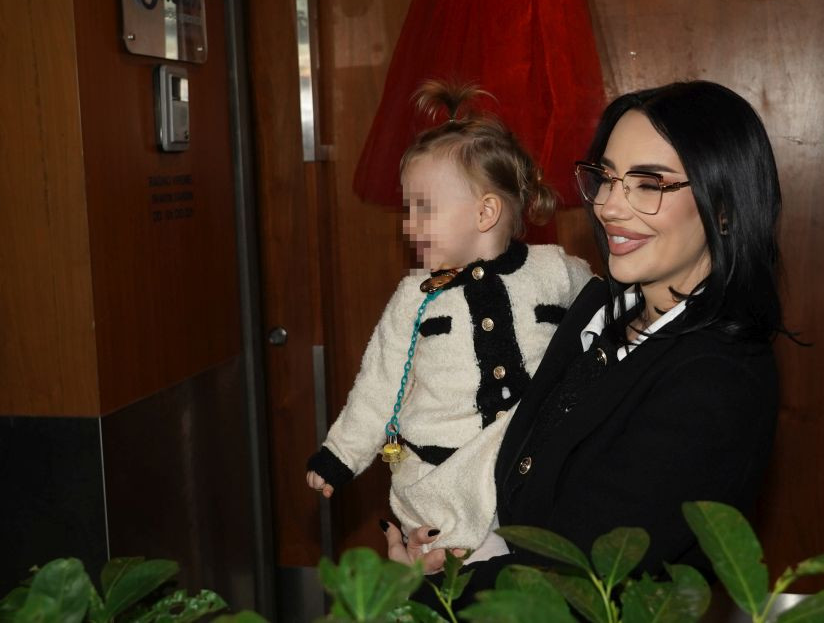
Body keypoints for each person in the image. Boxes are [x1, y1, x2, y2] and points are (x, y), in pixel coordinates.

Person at [383, 80, 785, 593]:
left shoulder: (718, 380)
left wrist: (426, 588)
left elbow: (579, 572)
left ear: (724, 206)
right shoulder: (597, 307)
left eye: (648, 184)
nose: (609, 206)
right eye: (607, 178)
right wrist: (445, 537)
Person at [306, 81, 593, 562]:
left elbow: (611, 317)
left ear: (485, 212)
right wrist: (340, 455)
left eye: (424, 208)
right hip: (441, 481)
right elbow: (378, 384)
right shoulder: (415, 297)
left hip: (531, 472)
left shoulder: (556, 271)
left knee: (529, 574)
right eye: (408, 209)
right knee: (457, 582)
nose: (408, 224)